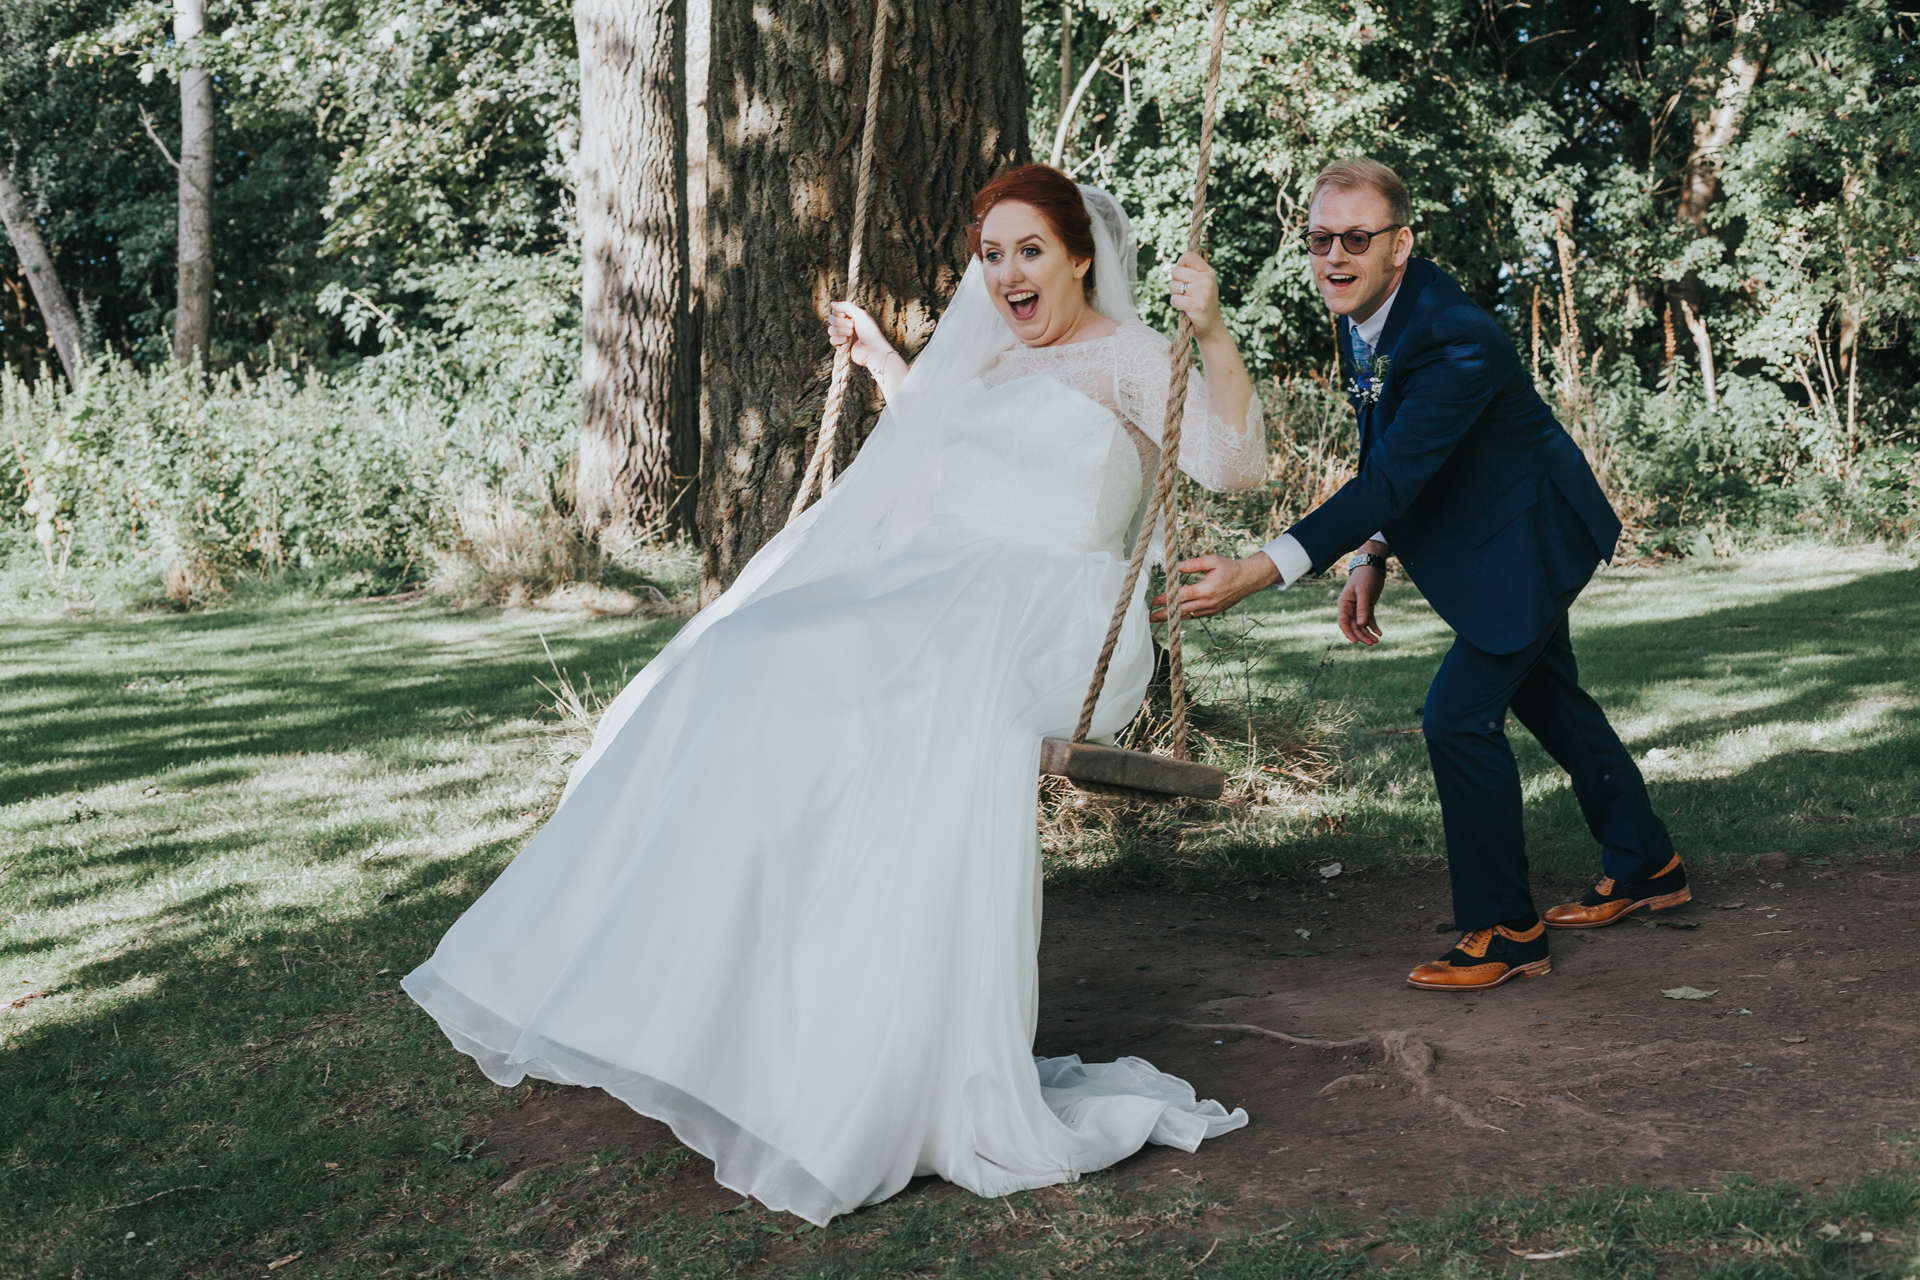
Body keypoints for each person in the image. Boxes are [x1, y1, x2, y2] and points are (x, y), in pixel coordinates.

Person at [401, 165, 1263, 1225]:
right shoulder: (986, 357)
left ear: (1081, 254)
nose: (1006, 275)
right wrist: (888, 363)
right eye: (989, 255)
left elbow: (1229, 466)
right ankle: (754, 1015)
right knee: (748, 653)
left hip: (1041, 605)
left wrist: (1213, 335)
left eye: (1028, 250)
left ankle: (874, 1045)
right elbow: (940, 439)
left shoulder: (1131, 357)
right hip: (940, 580)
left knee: (885, 686)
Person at [1159, 158, 1686, 992]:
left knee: (1455, 717)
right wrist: (1373, 552)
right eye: (1320, 239)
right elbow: (1390, 451)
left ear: (1399, 245)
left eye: (1357, 239)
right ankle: (1649, 865)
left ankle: (1508, 930)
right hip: (1495, 534)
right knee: (1551, 698)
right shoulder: (1362, 311)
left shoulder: (1454, 335)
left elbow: (1389, 480)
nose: (1335, 256)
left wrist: (1262, 569)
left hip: (1536, 536)